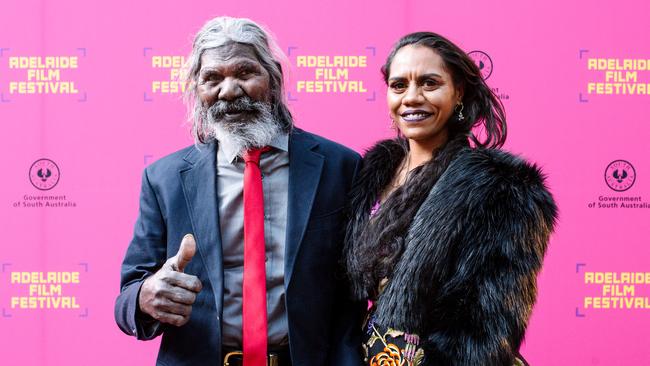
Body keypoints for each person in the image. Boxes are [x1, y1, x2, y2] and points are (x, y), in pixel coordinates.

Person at [114, 16, 363, 366]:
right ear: (196, 90)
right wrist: (145, 296)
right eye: (212, 78)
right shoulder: (164, 179)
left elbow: (353, 294)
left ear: (273, 79)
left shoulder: (340, 167)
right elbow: (127, 296)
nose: (229, 91)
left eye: (245, 73)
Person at [344, 32, 558, 366]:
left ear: (458, 92)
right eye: (399, 85)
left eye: (429, 83)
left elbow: (483, 331)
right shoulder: (372, 174)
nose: (412, 97)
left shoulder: (499, 188)